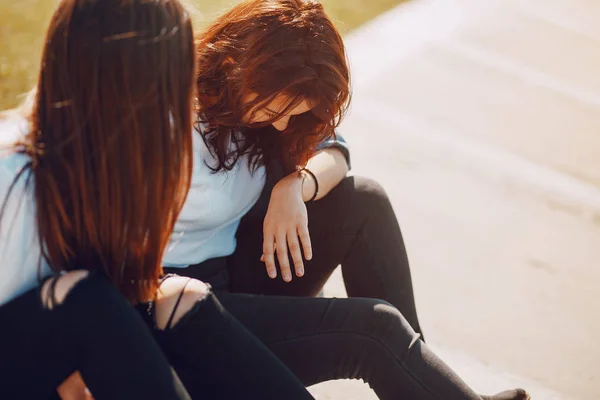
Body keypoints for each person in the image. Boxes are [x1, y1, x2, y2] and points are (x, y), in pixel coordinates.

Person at [162, 0, 531, 399]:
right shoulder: (169, 113)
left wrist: (296, 186)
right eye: (276, 108)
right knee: (372, 331)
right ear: (241, 66)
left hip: (235, 274)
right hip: (180, 307)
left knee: (364, 201)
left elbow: (334, 149)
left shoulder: (262, 117)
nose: (283, 124)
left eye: (294, 112)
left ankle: (424, 382)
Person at [0, 1, 316, 399]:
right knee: (90, 302)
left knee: (184, 298)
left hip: (70, 342)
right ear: (130, 85)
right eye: (182, 76)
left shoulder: (117, 169)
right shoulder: (12, 175)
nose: (192, 98)